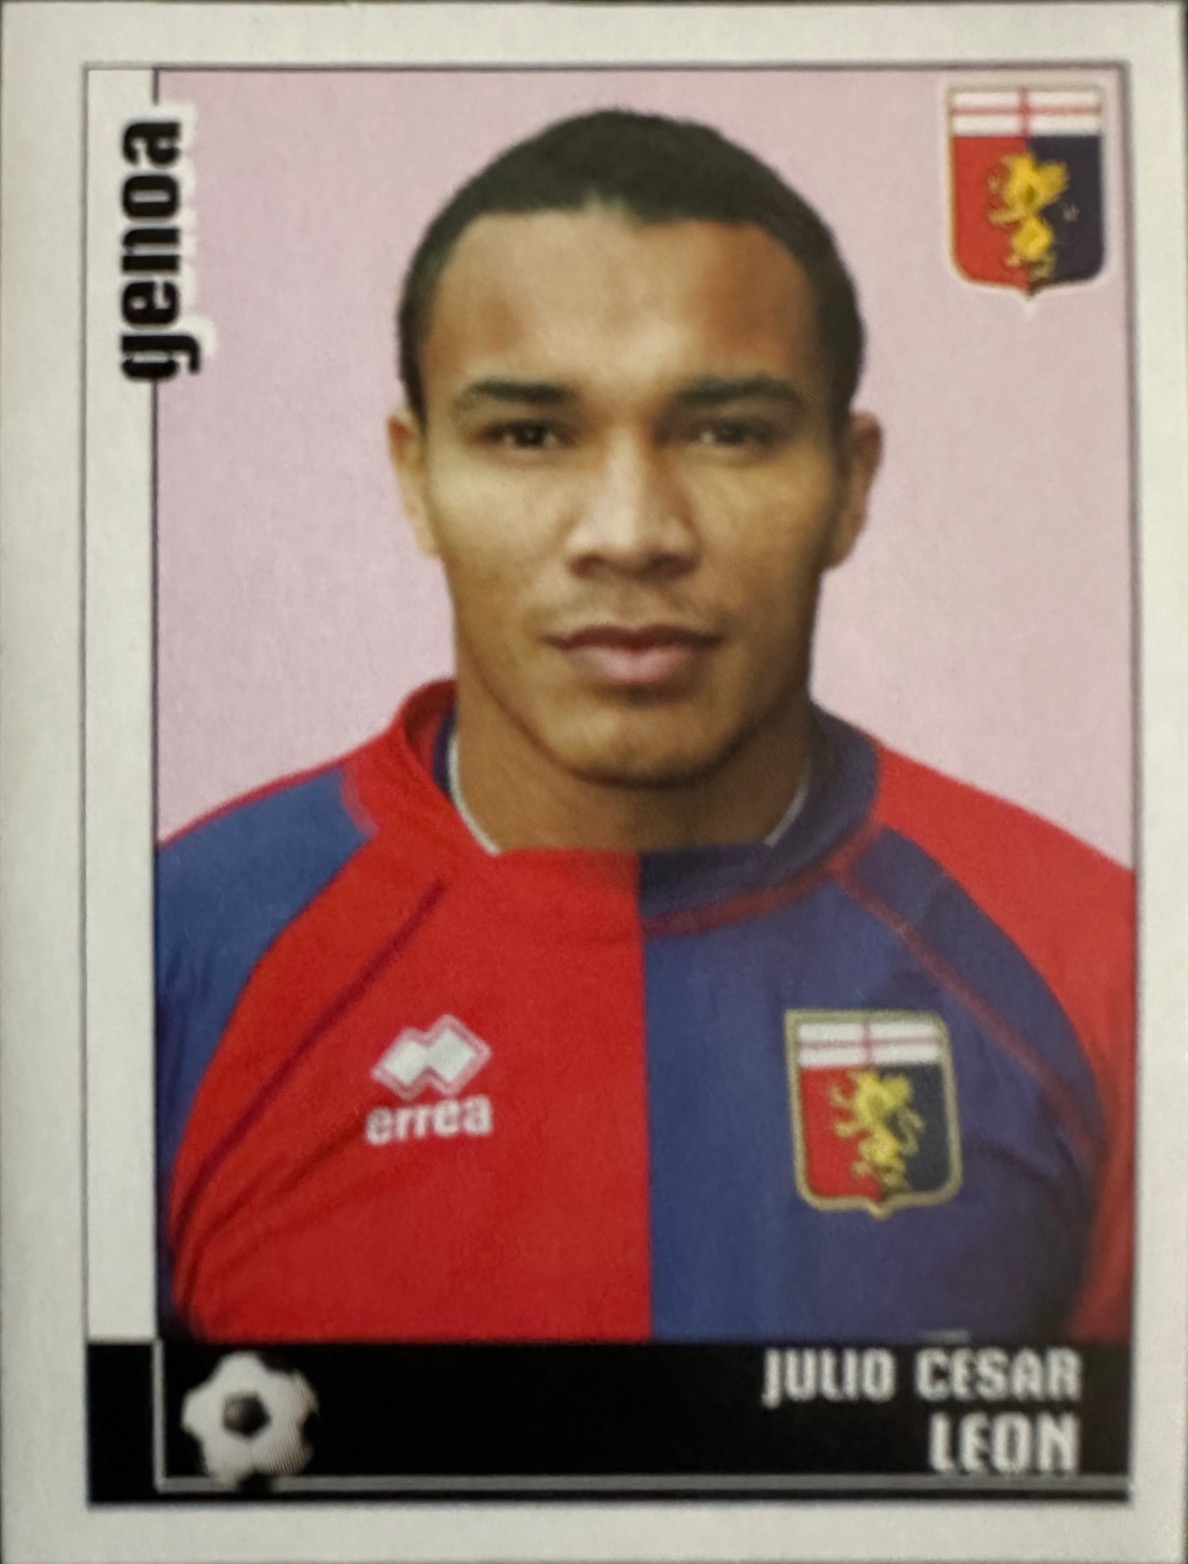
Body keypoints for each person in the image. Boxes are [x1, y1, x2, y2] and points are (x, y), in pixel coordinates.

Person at [156, 109, 1133, 1344]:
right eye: (530, 435)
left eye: (729, 433)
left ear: (851, 484)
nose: (630, 531)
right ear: (417, 478)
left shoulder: (1101, 969)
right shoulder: (172, 955)